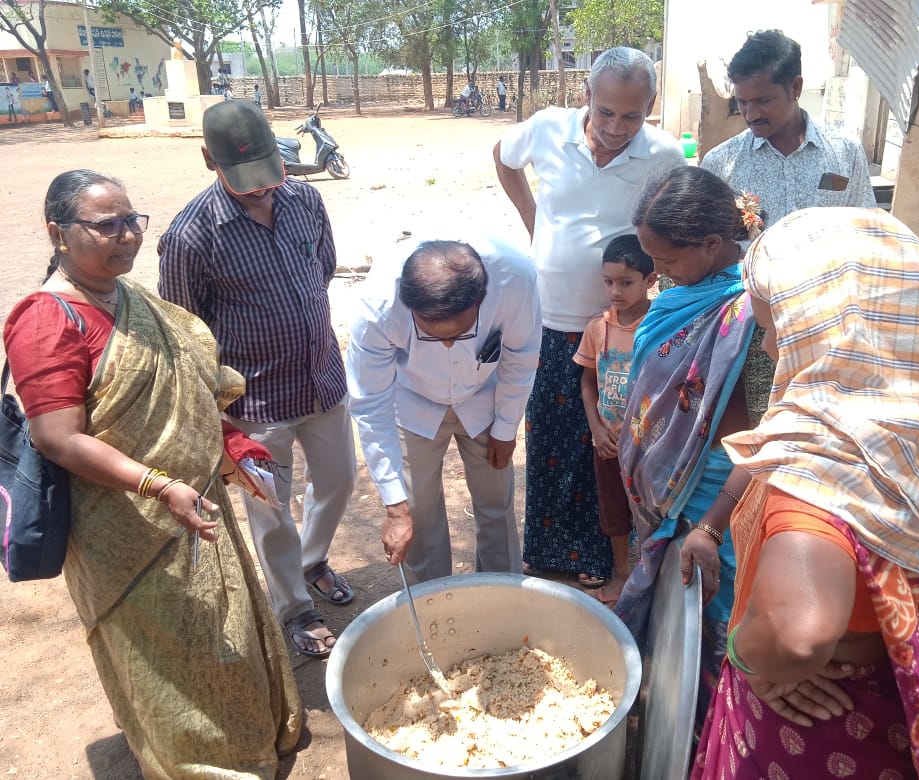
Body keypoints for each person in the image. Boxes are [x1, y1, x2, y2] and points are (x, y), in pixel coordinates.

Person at [691, 206, 919, 779]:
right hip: (914, 713)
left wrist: (748, 661)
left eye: (771, 330)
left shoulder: (822, 460)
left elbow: (795, 636)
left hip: (815, 730)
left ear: (817, 326)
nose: (769, 349)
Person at [2, 169, 302, 778]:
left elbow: (193, 397)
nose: (126, 237)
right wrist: (159, 484)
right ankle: (198, 763)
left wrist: (233, 448)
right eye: (104, 225)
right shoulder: (47, 320)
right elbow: (57, 437)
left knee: (228, 639)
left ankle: (251, 739)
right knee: (170, 653)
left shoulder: (140, 304)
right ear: (57, 234)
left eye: (131, 221)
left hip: (197, 508)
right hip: (126, 526)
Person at [158, 100, 357, 660]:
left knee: (339, 481)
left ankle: (311, 558)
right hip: (256, 404)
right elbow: (184, 333)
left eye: (268, 174)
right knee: (270, 512)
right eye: (243, 182)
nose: (260, 190)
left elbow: (322, 270)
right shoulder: (191, 237)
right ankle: (294, 605)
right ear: (208, 161)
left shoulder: (306, 201)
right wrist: (216, 419)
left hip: (321, 381)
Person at [494, 46, 684, 586]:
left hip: (621, 326)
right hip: (551, 318)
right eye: (606, 112)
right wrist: (536, 223)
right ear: (586, 98)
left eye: (633, 115)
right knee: (552, 436)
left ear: (650, 107)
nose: (617, 126)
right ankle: (549, 552)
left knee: (606, 443)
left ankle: (599, 557)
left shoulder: (664, 154)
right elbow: (503, 157)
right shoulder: (546, 129)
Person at [613, 166, 774, 737]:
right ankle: (681, 729)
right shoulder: (683, 297)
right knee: (677, 618)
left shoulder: (754, 315)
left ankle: (714, 737)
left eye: (669, 261)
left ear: (711, 244)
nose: (657, 276)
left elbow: (767, 434)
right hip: (670, 493)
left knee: (715, 620)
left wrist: (712, 523)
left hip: (724, 497)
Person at [347, 239, 541, 581]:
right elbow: (370, 403)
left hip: (485, 399)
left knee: (496, 504)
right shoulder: (378, 307)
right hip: (411, 402)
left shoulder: (515, 280)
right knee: (417, 514)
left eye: (460, 333)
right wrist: (394, 505)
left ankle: (502, 598)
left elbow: (521, 357)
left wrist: (506, 428)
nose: (449, 345)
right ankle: (433, 609)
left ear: (482, 300)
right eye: (434, 336)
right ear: (409, 307)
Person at [700, 30, 875, 230]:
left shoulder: (846, 153)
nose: (750, 115)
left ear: (796, 88)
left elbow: (866, 231)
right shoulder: (720, 164)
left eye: (763, 101)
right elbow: (709, 246)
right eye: (742, 102)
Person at [573, 235, 657, 606]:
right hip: (606, 440)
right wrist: (596, 427)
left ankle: (651, 572)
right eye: (609, 282)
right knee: (613, 508)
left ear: (650, 280)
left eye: (626, 282)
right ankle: (622, 570)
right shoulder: (598, 328)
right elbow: (588, 382)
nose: (615, 291)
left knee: (651, 508)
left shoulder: (658, 324)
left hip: (648, 443)